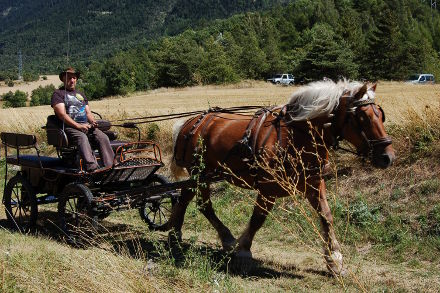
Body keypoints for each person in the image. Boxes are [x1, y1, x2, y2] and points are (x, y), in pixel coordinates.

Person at [51, 67, 114, 172]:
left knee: (102, 137)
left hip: (85, 125)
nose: (72, 80)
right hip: (69, 127)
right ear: (63, 79)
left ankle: (110, 166)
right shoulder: (58, 94)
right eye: (69, 78)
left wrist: (93, 122)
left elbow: (88, 112)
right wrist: (78, 126)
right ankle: (92, 167)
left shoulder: (80, 94)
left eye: (74, 78)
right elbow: (62, 115)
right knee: (82, 137)